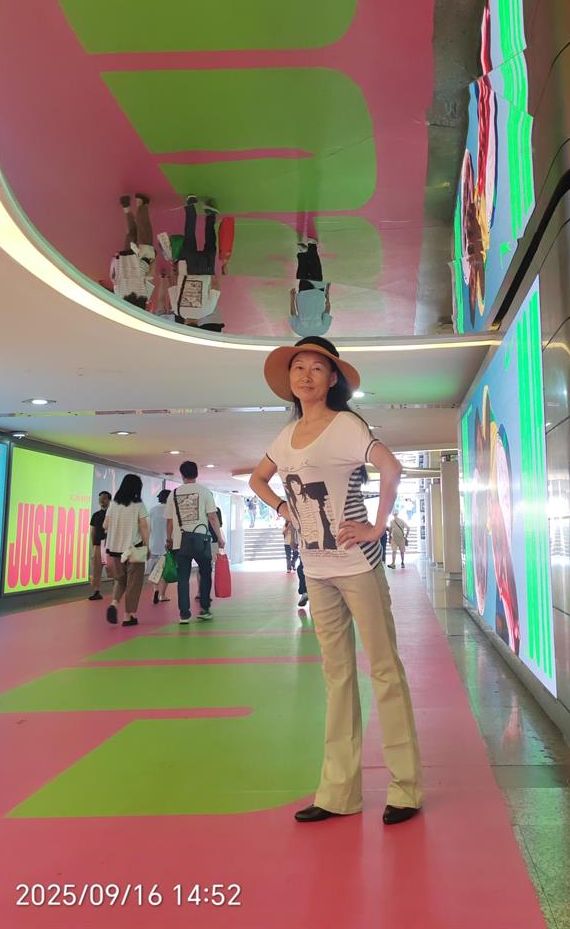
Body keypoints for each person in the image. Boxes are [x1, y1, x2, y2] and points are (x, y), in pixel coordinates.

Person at [250, 335, 422, 825]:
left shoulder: (346, 425)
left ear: (332, 379)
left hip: (357, 565)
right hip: (317, 569)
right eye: (298, 367)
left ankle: (406, 788)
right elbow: (257, 479)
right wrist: (283, 508)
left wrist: (377, 526)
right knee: (337, 676)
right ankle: (338, 793)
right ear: (289, 380)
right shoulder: (286, 436)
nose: (305, 376)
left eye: (316, 368)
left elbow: (391, 467)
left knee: (384, 670)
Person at [166, 460, 226, 625]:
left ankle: (184, 614)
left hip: (180, 542)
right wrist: (220, 538)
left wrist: (169, 539)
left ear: (182, 475)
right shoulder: (205, 492)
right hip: (201, 540)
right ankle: (205, 609)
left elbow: (169, 521)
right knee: (205, 573)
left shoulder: (174, 494)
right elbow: (212, 516)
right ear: (196, 473)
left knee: (183, 578)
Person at [164, 197, 223, 328]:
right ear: (185, 324)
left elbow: (215, 287)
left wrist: (213, 272)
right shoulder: (177, 310)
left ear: (198, 325)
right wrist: (174, 269)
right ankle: (190, 207)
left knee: (210, 243)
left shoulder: (207, 311)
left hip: (205, 270)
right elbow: (172, 284)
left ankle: (210, 214)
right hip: (185, 268)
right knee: (189, 236)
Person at [104, 475, 149, 628]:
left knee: (120, 579)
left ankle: (114, 603)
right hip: (133, 549)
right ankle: (128, 616)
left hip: (115, 549)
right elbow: (144, 526)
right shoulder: (138, 504)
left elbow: (105, 525)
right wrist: (147, 545)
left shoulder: (113, 504)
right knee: (133, 583)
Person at [110, 194, 156, 311]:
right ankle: (126, 209)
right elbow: (114, 278)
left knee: (144, 229)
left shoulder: (145, 296)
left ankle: (141, 203)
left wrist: (154, 260)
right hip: (125, 258)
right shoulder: (119, 296)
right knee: (131, 233)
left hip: (143, 259)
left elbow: (150, 276)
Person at [290, 240, 331, 337]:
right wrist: (327, 293)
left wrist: (327, 293)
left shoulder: (321, 330)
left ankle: (308, 249)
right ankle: (307, 249)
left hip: (312, 294)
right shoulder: (320, 330)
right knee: (309, 272)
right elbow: (327, 311)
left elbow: (327, 309)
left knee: (310, 271)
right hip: (310, 294)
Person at [87, 490, 112, 600]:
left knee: (114, 569)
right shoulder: (96, 515)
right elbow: (93, 531)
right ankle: (96, 591)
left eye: (104, 498)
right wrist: (94, 546)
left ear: (109, 500)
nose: (102, 500)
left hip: (111, 546)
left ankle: (117, 591)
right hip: (98, 545)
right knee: (96, 570)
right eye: (100, 498)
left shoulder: (113, 514)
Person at [149, 489, 172, 604]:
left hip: (154, 545)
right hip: (167, 546)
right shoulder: (171, 510)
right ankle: (162, 595)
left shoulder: (152, 510)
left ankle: (155, 589)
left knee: (155, 570)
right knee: (165, 571)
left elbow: (148, 528)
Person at [283, 518, 308, 607]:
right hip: (303, 549)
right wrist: (293, 540)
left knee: (301, 569)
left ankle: (305, 592)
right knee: (301, 569)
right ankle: (304, 592)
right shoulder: (292, 521)